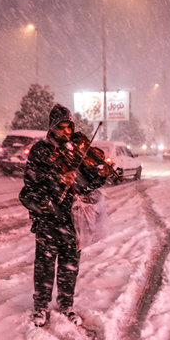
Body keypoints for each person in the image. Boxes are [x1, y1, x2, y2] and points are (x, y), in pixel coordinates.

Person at [19, 104, 110, 327]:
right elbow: (32, 182)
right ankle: (41, 306)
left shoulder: (77, 149)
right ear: (52, 128)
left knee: (70, 264)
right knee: (44, 265)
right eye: (62, 126)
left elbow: (92, 181)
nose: (68, 131)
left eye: (70, 126)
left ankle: (66, 304)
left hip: (73, 219)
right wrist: (58, 179)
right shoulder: (41, 150)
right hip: (48, 217)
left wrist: (99, 172)